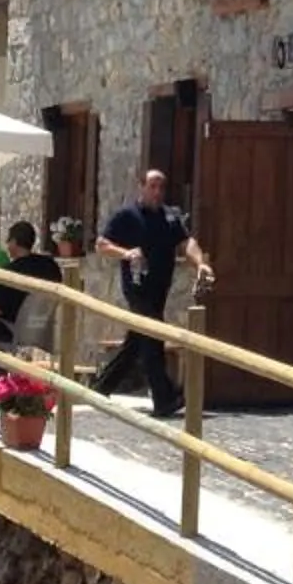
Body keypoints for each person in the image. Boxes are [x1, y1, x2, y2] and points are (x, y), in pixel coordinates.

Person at [93, 169, 209, 413]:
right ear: (142, 187)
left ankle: (99, 389)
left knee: (137, 341)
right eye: (152, 186)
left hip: (160, 288)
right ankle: (164, 398)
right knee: (153, 335)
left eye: (161, 187)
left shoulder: (169, 217)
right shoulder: (127, 215)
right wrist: (126, 253)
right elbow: (101, 244)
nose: (157, 192)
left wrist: (201, 263)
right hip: (137, 287)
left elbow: (186, 242)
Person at [0, 219, 63, 349]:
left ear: (14, 242)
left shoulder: (8, 273)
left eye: (8, 241)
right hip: (42, 330)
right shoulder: (51, 266)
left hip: (13, 331)